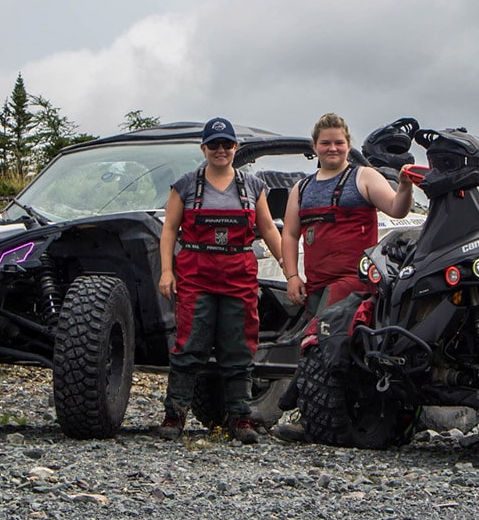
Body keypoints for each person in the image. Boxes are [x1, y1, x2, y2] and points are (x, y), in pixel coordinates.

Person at [157, 117, 284, 445]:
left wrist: (287, 263)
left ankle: (240, 418)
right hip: (195, 272)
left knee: (240, 346)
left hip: (239, 274)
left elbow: (268, 229)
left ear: (235, 147)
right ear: (203, 148)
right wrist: (167, 271)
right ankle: (175, 416)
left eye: (226, 144)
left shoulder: (253, 186)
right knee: (189, 345)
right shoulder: (185, 185)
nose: (220, 150)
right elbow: (169, 229)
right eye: (213, 144)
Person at [281, 113, 416, 311]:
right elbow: (290, 234)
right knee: (316, 338)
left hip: (354, 283)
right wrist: (292, 277)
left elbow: (397, 210)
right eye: (325, 143)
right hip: (315, 284)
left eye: (339, 142)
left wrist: (405, 187)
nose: (333, 148)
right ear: (315, 146)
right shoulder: (301, 188)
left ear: (348, 145)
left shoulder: (364, 177)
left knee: (327, 334)